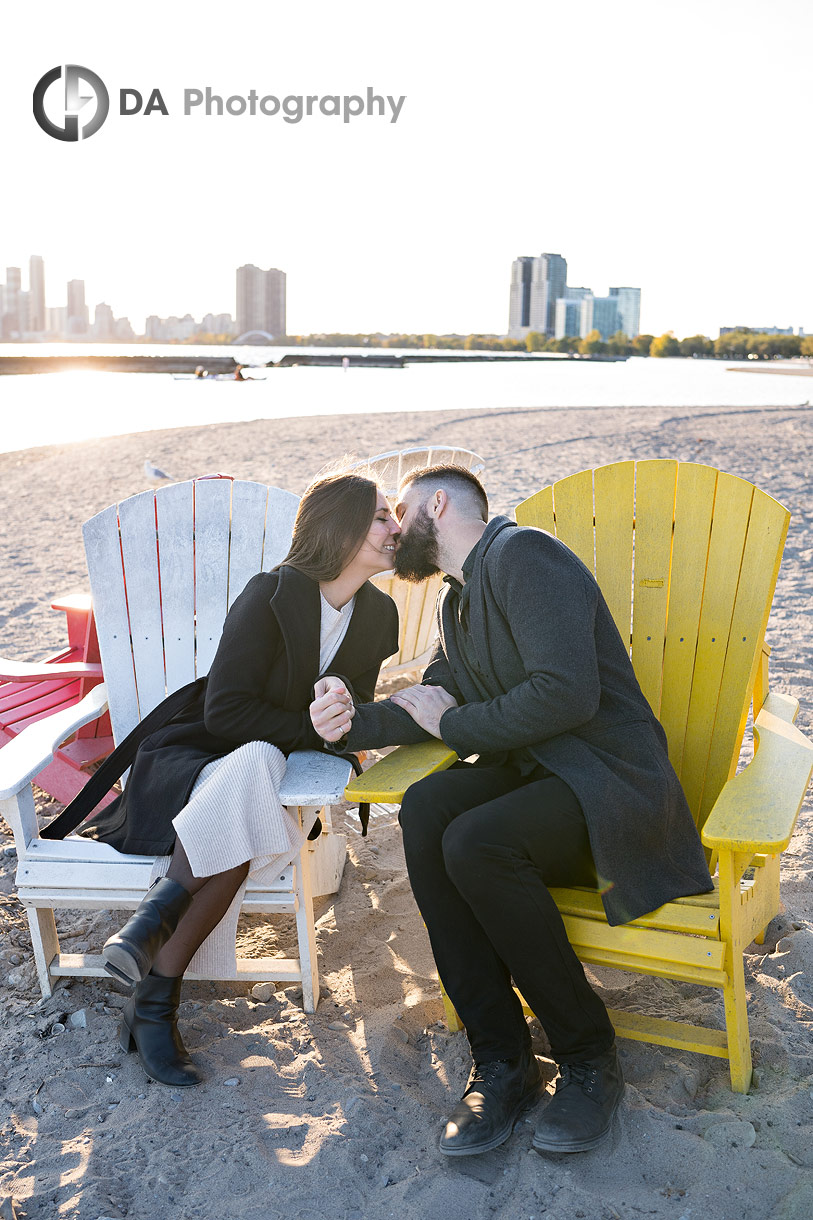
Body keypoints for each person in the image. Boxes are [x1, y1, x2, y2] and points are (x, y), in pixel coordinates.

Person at [309, 464, 713, 1157]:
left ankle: (588, 1057)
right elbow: (433, 698)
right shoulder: (455, 599)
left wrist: (455, 729)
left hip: (608, 785)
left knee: (477, 841)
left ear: (436, 504)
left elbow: (564, 696)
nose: (392, 527)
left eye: (397, 510)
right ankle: (502, 1061)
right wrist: (351, 725)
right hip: (543, 778)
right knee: (430, 805)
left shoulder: (525, 554)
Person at [79, 470, 400, 1088]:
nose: (395, 529)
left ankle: (149, 947)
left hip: (264, 773)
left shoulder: (378, 616)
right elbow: (224, 712)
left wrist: (341, 716)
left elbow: (350, 714)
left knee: (253, 779)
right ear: (341, 529)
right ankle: (153, 996)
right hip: (198, 757)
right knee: (252, 763)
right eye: (382, 517)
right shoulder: (270, 594)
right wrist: (312, 727)